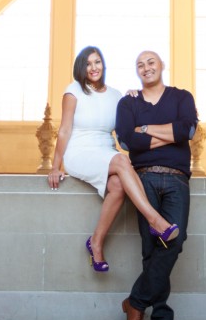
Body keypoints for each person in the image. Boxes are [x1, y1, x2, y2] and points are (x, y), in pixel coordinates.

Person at [47, 46, 180, 274]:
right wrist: (55, 165)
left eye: (97, 62)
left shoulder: (116, 95)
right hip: (80, 151)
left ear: (103, 65)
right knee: (121, 161)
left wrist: (133, 100)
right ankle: (155, 221)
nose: (93, 67)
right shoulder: (73, 91)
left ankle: (96, 242)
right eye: (88, 64)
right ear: (81, 67)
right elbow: (64, 129)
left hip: (105, 150)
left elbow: (126, 131)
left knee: (117, 184)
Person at [114, 50, 197, 320]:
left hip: (177, 179)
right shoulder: (128, 102)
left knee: (174, 240)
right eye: (140, 64)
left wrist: (146, 129)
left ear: (162, 66)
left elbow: (187, 130)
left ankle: (135, 303)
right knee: (152, 249)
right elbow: (126, 139)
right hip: (144, 178)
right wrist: (168, 134)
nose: (146, 68)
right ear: (136, 71)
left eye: (151, 62)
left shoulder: (181, 97)